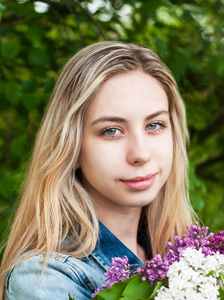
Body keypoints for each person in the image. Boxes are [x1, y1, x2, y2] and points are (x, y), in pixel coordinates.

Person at [0, 41, 195, 299]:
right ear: (72, 146)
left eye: (154, 125)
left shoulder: (185, 258)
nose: (140, 154)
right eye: (111, 130)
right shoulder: (45, 278)